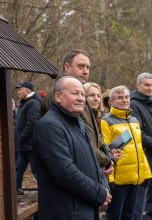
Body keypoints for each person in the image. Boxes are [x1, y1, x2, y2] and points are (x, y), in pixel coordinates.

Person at [34, 76, 112, 220]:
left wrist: (103, 185)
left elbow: (92, 161)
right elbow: (65, 172)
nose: (81, 98)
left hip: (84, 207)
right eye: (75, 93)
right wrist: (98, 193)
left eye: (82, 94)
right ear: (58, 96)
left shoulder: (78, 123)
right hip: (66, 212)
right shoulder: (49, 126)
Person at [42, 49, 115, 173]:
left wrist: (109, 157)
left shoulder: (80, 94)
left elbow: (96, 134)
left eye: (88, 67)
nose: (86, 71)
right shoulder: (58, 95)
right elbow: (77, 138)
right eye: (81, 66)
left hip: (92, 166)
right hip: (76, 170)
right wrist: (105, 160)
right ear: (67, 67)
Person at [101, 85, 151, 220]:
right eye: (120, 97)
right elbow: (104, 150)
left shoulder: (134, 120)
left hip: (136, 178)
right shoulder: (106, 121)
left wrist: (146, 173)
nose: (125, 100)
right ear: (111, 102)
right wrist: (110, 179)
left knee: (130, 215)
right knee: (114, 216)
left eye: (127, 97)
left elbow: (139, 149)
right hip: (118, 180)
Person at [130, 72, 152, 220]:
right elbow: (138, 133)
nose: (150, 88)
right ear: (138, 85)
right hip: (143, 157)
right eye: (147, 85)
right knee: (142, 201)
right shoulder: (133, 104)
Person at [15, 81, 41, 195]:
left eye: (21, 89)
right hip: (23, 145)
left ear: (28, 90)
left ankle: (46, 191)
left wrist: (22, 138)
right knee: (19, 168)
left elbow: (32, 124)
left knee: (36, 170)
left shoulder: (33, 103)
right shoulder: (25, 102)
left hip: (30, 144)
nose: (19, 91)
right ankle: (16, 189)